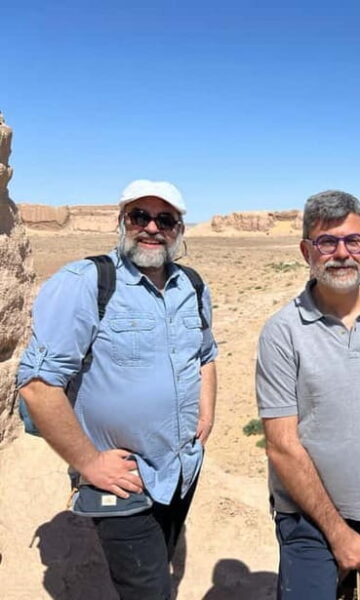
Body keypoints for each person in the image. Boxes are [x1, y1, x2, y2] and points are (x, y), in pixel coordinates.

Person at [17, 179, 218, 600]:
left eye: (165, 219)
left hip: (181, 468)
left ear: (179, 230)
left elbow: (205, 354)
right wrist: (90, 463)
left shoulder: (193, 286)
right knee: (147, 590)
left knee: (158, 565)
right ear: (122, 222)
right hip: (123, 478)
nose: (151, 228)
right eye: (139, 216)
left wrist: (206, 412)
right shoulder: (86, 282)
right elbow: (38, 386)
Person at [256, 190, 360, 599]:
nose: (342, 253)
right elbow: (282, 445)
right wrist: (337, 533)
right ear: (306, 251)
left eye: (354, 241)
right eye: (327, 242)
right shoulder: (283, 331)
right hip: (308, 521)